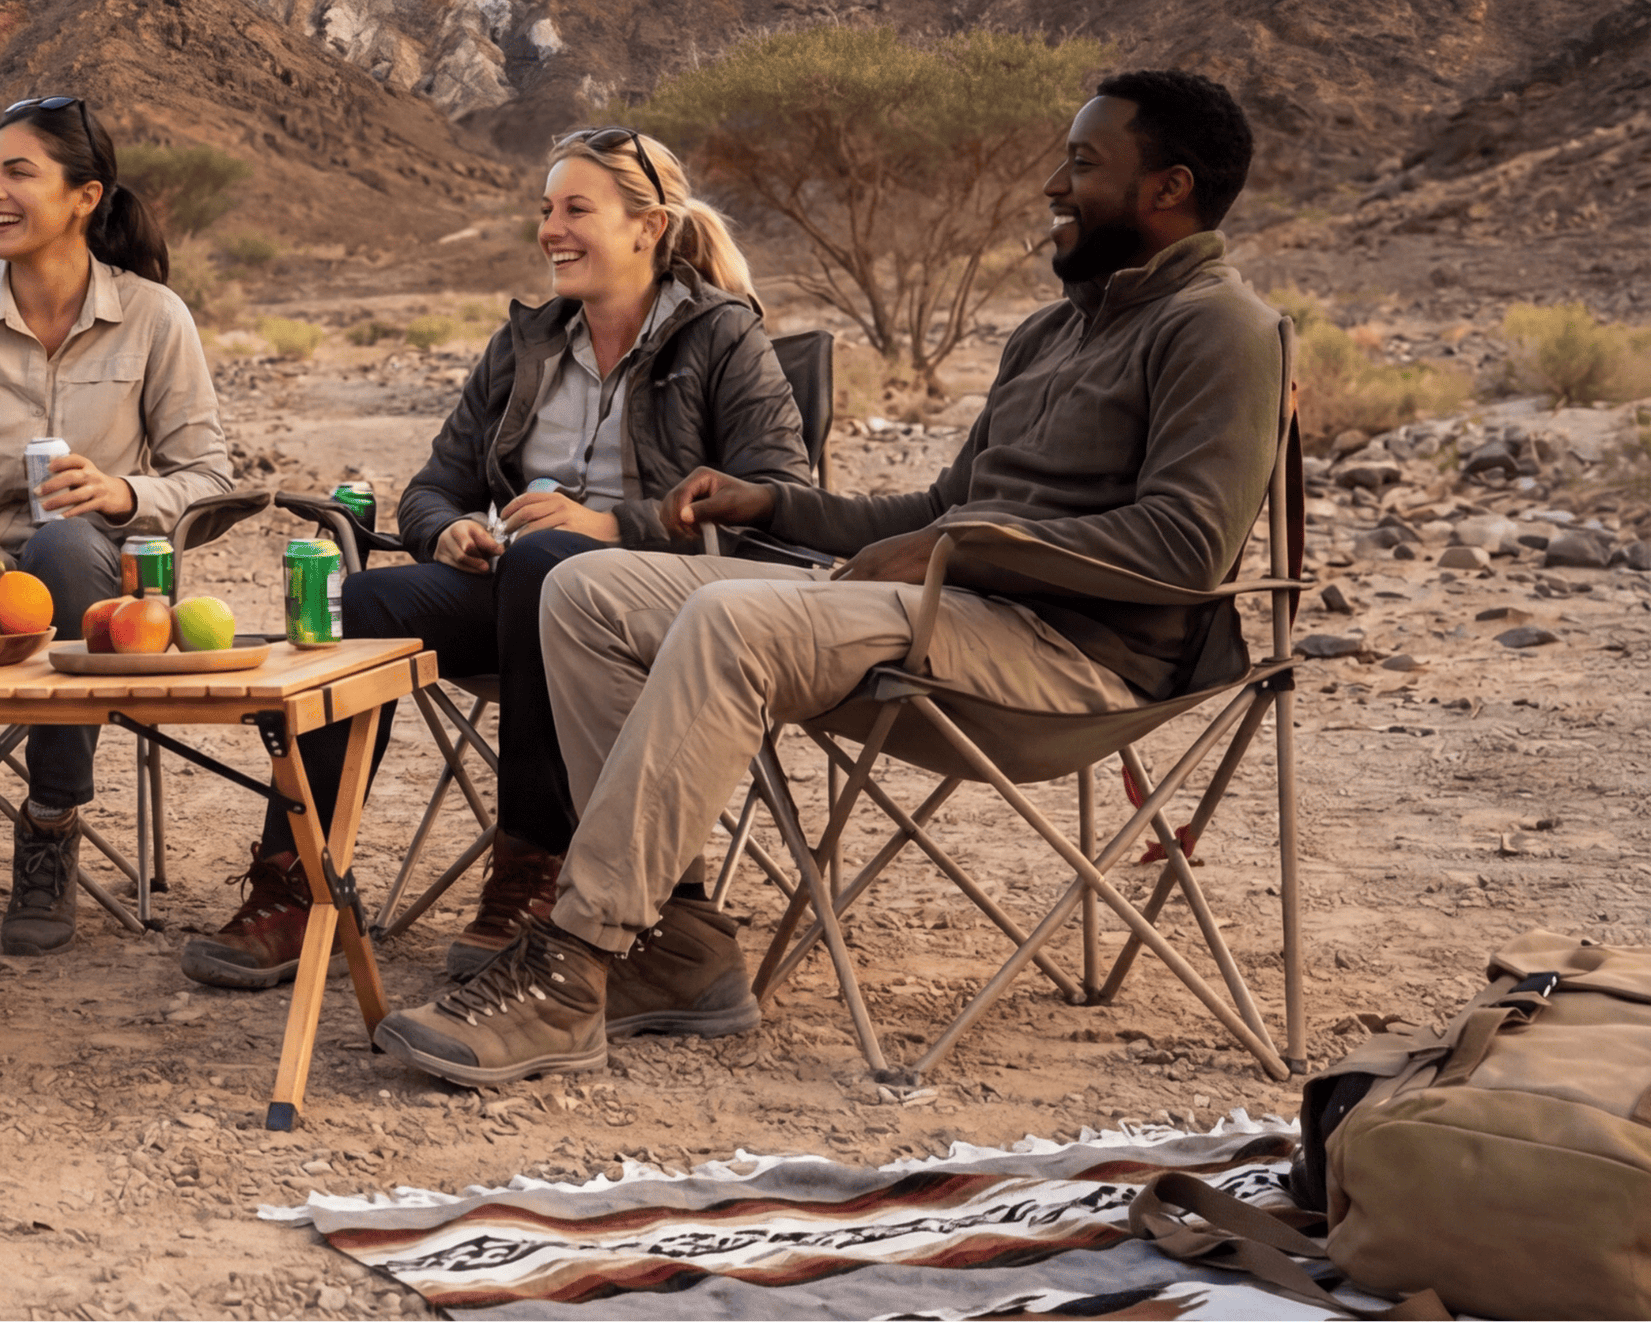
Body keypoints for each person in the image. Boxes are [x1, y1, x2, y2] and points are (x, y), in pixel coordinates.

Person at [376, 70, 1283, 1086]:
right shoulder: (1052, 332)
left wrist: (961, 550)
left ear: (1169, 187)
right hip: (952, 606)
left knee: (730, 620)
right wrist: (774, 507)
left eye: (1082, 165)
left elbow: (1185, 548)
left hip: (1072, 654)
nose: (1054, 190)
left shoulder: (1219, 327)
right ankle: (677, 945)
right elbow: (939, 508)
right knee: (583, 590)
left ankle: (574, 961)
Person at [185, 128, 809, 993]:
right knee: (363, 604)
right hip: (521, 589)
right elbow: (431, 486)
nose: (551, 230)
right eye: (546, 211)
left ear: (648, 227)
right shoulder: (527, 347)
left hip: (662, 601)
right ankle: (300, 883)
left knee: (548, 558)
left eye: (576, 210)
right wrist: (444, 532)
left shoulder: (723, 339)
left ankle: (536, 865)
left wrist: (607, 527)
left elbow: (778, 493)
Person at [0, 94, 233, 996]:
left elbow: (211, 478)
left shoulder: (154, 318)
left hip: (90, 582)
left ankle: (51, 827)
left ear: (83, 196)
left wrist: (123, 493)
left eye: (17, 172)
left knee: (69, 545)